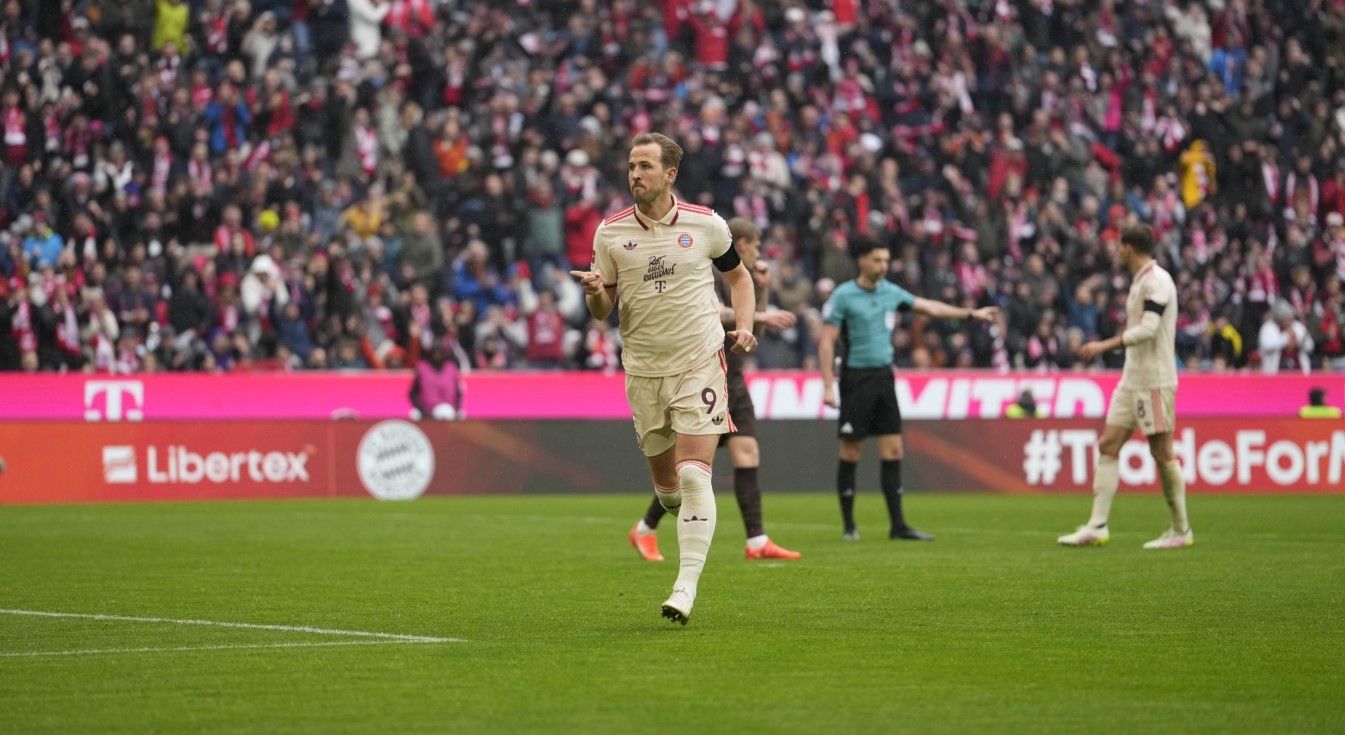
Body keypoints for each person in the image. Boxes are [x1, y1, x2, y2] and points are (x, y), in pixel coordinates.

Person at [571, 132, 757, 625]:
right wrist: (594, 292)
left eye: (645, 166)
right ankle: (674, 517)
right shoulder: (610, 233)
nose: (635, 174)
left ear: (669, 174)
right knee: (669, 491)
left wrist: (744, 325)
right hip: (643, 370)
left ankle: (684, 587)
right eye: (632, 166)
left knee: (695, 474)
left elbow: (739, 277)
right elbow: (602, 310)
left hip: (699, 361)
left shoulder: (706, 224)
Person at [628, 217, 801, 563]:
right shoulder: (707, 271)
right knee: (689, 469)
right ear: (740, 244)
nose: (758, 253)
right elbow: (714, 313)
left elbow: (752, 335)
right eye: (755, 246)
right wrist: (762, 315)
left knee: (747, 454)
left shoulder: (745, 280)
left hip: (732, 379)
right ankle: (645, 528)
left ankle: (756, 541)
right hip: (702, 377)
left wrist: (762, 292)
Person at [817, 237, 999, 542]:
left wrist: (970, 314)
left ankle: (898, 525)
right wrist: (827, 385)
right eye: (877, 260)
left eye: (886, 260)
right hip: (855, 379)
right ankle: (849, 526)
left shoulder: (890, 292)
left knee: (893, 449)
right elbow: (826, 342)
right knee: (851, 450)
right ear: (862, 261)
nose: (883, 266)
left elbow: (929, 307)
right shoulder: (843, 296)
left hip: (884, 378)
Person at [1059, 224, 1193, 550]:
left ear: (1129, 248)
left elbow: (1149, 329)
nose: (1117, 252)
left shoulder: (1158, 282)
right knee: (1108, 445)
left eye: (1120, 247)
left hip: (1155, 381)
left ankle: (1181, 529)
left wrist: (1104, 345)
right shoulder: (1139, 281)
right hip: (1131, 379)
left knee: (1162, 453)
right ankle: (1097, 526)